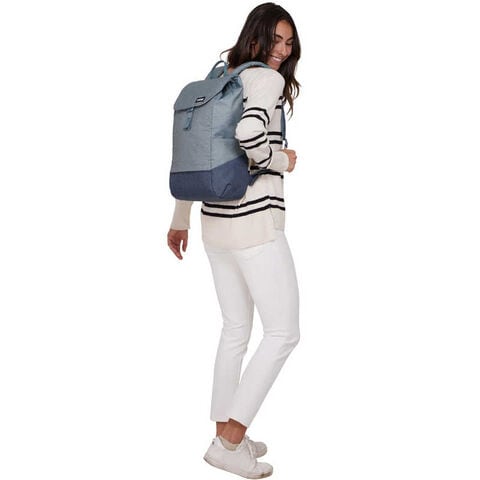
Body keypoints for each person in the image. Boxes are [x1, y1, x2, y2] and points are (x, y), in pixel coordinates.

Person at [167, 3, 301, 478]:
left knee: (235, 330)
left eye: (289, 42)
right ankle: (230, 440)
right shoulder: (265, 80)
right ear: (256, 38)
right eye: (275, 40)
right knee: (283, 333)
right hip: (255, 226)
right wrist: (281, 160)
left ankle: (225, 434)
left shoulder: (223, 77)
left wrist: (179, 219)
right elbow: (249, 132)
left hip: (214, 226)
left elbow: (193, 153)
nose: (282, 51)